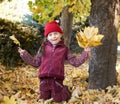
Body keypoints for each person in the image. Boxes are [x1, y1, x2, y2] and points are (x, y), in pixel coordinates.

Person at [18, 21, 90, 103]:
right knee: (44, 99)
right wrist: (24, 54)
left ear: (60, 35)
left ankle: (65, 91)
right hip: (43, 80)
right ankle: (52, 93)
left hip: (57, 79)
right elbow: (36, 63)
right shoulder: (43, 47)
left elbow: (75, 62)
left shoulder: (64, 49)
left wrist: (85, 53)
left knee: (58, 99)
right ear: (47, 37)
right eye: (50, 35)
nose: (53, 37)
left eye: (55, 33)